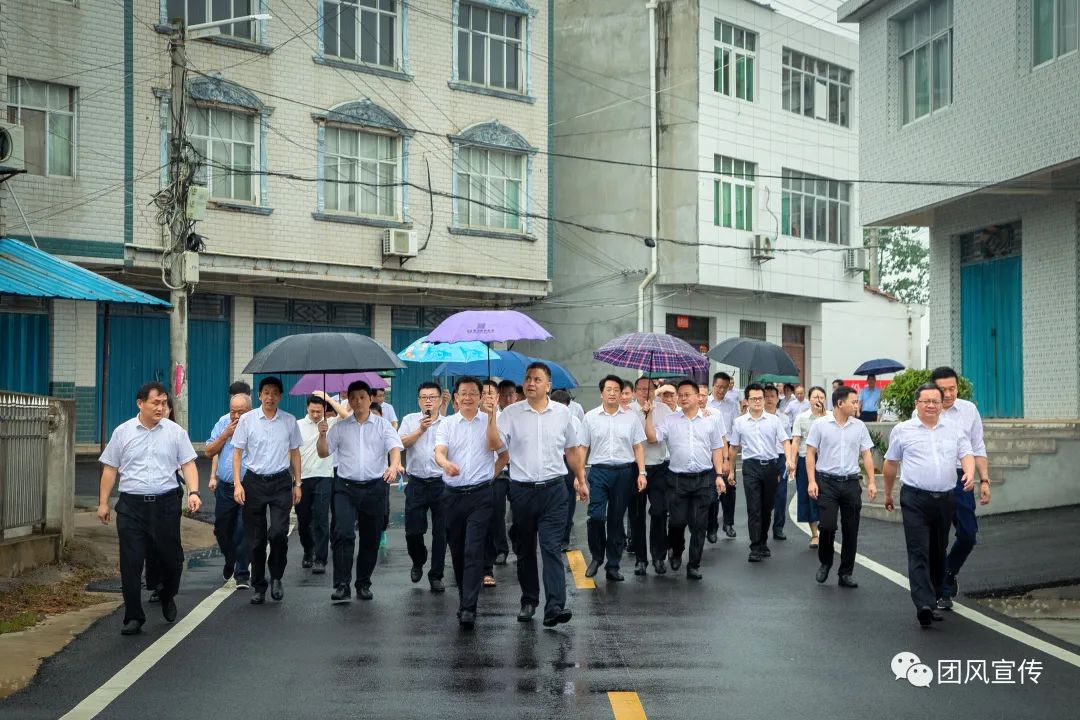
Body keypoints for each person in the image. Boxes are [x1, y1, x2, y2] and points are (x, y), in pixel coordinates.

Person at [97, 381, 200, 635]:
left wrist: (194, 492)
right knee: (131, 564)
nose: (161, 407)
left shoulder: (176, 432)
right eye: (156, 402)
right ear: (140, 403)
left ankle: (166, 593)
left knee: (173, 560)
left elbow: (188, 464)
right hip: (132, 506)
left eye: (164, 403)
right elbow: (110, 468)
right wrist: (102, 503)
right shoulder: (122, 432)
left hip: (166, 505)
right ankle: (133, 616)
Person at [490, 362, 587, 626]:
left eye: (537, 379)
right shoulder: (510, 414)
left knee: (551, 547)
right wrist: (490, 416)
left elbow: (572, 450)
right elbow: (495, 445)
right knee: (524, 550)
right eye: (527, 378)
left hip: (555, 489)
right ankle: (529, 600)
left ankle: (555, 606)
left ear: (548, 385)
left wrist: (580, 479)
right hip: (521, 491)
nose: (530, 383)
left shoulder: (563, 414)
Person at [883, 383, 975, 627]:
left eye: (936, 401)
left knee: (938, 550)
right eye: (926, 401)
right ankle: (923, 604)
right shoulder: (903, 430)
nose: (932, 405)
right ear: (917, 404)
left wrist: (969, 472)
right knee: (919, 550)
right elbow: (891, 463)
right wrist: (888, 493)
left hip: (945, 499)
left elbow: (966, 453)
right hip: (914, 498)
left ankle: (933, 596)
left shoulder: (954, 429)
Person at [318, 380, 404, 602]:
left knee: (370, 538)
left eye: (362, 397)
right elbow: (323, 453)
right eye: (353, 397)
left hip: (374, 487)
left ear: (371, 399)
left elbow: (394, 448)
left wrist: (394, 466)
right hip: (345, 488)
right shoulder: (339, 427)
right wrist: (322, 434)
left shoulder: (382, 425)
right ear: (349, 400)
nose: (357, 401)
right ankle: (342, 584)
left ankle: (363, 583)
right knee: (343, 533)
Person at [435, 376, 508, 629]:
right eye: (463, 393)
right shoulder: (447, 424)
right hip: (453, 495)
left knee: (473, 549)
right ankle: (464, 595)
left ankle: (468, 607)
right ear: (455, 398)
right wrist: (445, 464)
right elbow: (439, 452)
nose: (467, 397)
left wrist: (491, 474)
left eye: (473, 393)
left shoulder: (489, 420)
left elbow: (501, 451)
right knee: (456, 551)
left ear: (480, 397)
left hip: (481, 496)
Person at [643, 379, 728, 580]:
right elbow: (653, 438)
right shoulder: (671, 420)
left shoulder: (710, 420)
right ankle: (677, 550)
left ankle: (694, 565)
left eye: (686, 394)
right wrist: (648, 415)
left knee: (699, 524)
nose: (682, 398)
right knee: (677, 521)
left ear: (698, 396)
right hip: (677, 479)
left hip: (703, 477)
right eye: (680, 395)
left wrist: (719, 475)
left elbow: (717, 447)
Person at [232, 377, 303, 604]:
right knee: (256, 539)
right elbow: (237, 453)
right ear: (260, 395)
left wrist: (298, 483)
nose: (270, 397)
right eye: (266, 392)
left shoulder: (289, 421)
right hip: (254, 481)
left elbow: (295, 453)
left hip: (281, 482)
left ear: (280, 396)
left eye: (274, 393)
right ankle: (259, 585)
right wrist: (237, 484)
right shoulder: (247, 421)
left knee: (278, 533)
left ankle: (277, 577)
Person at [925, 366, 991, 610]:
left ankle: (949, 572)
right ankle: (941, 590)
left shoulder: (968, 410)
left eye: (952, 388)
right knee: (939, 537)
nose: (949, 394)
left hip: (964, 477)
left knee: (968, 534)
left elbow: (978, 447)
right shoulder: (926, 410)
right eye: (943, 390)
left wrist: (984, 479)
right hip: (936, 478)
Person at [805, 386, 877, 588]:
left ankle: (845, 572)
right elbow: (810, 453)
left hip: (851, 483)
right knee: (827, 526)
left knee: (851, 529)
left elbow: (867, 454)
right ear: (839, 403)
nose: (857, 405)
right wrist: (812, 480)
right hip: (827, 482)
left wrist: (871, 481)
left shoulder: (859, 426)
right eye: (853, 402)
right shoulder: (820, 425)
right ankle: (825, 562)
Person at [579, 375, 647, 582]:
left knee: (617, 520)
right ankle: (597, 557)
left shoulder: (631, 418)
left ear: (621, 394)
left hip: (624, 473)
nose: (612, 393)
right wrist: (579, 475)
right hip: (599, 471)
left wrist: (642, 473)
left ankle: (613, 565)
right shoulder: (590, 417)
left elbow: (638, 446)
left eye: (616, 389)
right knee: (596, 516)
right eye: (608, 389)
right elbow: (583, 447)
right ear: (602, 393)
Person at [728, 384, 791, 563]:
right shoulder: (739, 422)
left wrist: (789, 459)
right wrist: (731, 471)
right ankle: (755, 547)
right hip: (751, 468)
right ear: (747, 401)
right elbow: (733, 448)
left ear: (764, 400)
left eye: (760, 398)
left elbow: (785, 441)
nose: (757, 401)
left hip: (770, 467)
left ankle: (763, 542)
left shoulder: (774, 420)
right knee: (754, 508)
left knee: (766, 508)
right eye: (753, 398)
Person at [398, 382, 448, 593]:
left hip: (441, 483)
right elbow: (400, 443)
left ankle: (436, 575)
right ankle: (418, 560)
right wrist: (420, 429)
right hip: (417, 482)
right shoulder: (410, 420)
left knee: (441, 532)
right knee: (413, 532)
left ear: (439, 400)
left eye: (432, 397)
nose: (428, 400)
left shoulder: (448, 423)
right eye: (424, 397)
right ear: (419, 400)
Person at [205, 391, 253, 588]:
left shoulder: (257, 424)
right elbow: (208, 451)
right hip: (225, 487)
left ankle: (242, 572)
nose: (236, 416)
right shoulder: (223, 422)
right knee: (222, 529)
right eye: (233, 411)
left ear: (249, 410)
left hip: (249, 485)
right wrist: (226, 434)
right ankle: (230, 559)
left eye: (240, 412)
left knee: (244, 528)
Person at [296, 393, 347, 575]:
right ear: (307, 409)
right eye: (312, 411)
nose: (316, 415)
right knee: (304, 521)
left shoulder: (330, 423)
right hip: (302, 478)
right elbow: (291, 451)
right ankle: (308, 549)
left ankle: (320, 558)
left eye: (319, 411)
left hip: (324, 476)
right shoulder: (298, 425)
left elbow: (346, 416)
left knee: (321, 518)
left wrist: (329, 398)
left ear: (325, 409)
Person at [629, 376, 671, 575]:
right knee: (637, 515)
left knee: (660, 511)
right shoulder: (627, 411)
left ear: (655, 390)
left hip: (659, 467)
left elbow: (654, 439)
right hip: (636, 467)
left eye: (650, 388)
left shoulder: (664, 410)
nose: (646, 392)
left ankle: (658, 556)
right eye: (642, 389)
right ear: (636, 391)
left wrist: (649, 415)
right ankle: (640, 559)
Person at [790, 386, 827, 547]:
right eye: (815, 397)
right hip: (806, 459)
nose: (818, 400)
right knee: (809, 497)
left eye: (821, 397)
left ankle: (826, 529)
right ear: (809, 399)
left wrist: (824, 413)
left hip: (826, 462)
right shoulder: (801, 418)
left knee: (826, 497)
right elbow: (796, 441)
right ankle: (814, 534)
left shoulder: (831, 417)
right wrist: (792, 460)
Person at [707, 372, 741, 540]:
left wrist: (730, 456)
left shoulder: (732, 405)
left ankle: (728, 523)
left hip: (726, 448)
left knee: (729, 486)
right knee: (711, 489)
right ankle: (711, 526)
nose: (721, 390)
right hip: (708, 450)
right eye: (718, 387)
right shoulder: (703, 402)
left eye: (725, 388)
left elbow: (735, 429)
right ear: (712, 385)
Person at [552, 390, 584, 554]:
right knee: (552, 501)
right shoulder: (545, 420)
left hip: (568, 461)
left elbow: (578, 449)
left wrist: (580, 476)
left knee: (569, 500)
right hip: (552, 461)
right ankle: (554, 536)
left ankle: (564, 539)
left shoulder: (574, 422)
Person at [764, 385, 795, 541]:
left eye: (772, 396)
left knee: (781, 495)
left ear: (778, 399)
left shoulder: (783, 417)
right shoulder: (758, 417)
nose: (769, 399)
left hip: (781, 458)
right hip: (764, 460)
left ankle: (778, 528)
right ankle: (763, 526)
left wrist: (790, 460)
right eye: (766, 396)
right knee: (765, 496)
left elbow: (788, 440)